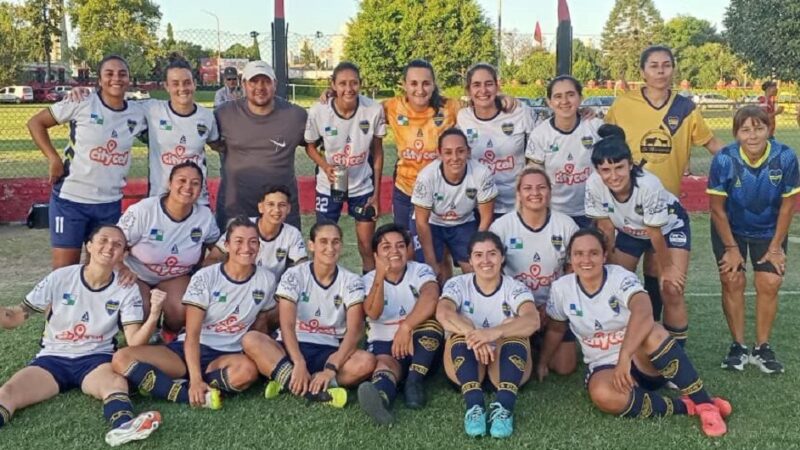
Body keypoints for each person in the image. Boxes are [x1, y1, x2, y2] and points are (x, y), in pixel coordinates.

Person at [539, 228, 731, 437]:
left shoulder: (620, 276)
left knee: (654, 332)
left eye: (593, 253)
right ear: (571, 257)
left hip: (641, 360)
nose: (586, 259)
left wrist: (625, 355)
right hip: (605, 365)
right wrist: (542, 362)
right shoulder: (561, 289)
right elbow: (557, 329)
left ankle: (705, 404)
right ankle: (686, 406)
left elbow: (644, 310)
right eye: (578, 254)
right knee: (603, 395)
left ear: (604, 256)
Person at [0, 225, 163, 447]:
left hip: (96, 359)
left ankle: (123, 427)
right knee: (8, 391)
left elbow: (134, 341)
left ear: (123, 254)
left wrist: (154, 314)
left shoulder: (126, 288)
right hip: (52, 359)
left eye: (117, 245)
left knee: (115, 383)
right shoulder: (61, 277)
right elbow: (16, 316)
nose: (109, 247)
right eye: (103, 240)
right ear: (89, 245)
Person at [605, 45, 723, 320]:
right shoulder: (623, 105)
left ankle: (653, 330)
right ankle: (620, 332)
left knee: (658, 274)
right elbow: (604, 140)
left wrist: (743, 157)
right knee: (619, 275)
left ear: (673, 68)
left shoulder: (685, 109)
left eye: (666, 65)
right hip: (628, 208)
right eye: (654, 65)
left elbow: (711, 143)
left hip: (666, 207)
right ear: (643, 71)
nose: (660, 70)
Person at [111, 217, 275, 409]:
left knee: (247, 372)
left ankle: (167, 384)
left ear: (259, 246)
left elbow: (260, 324)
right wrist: (196, 379)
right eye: (239, 241)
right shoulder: (205, 276)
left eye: (253, 241)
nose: (246, 247)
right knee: (121, 358)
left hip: (228, 355)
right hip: (191, 349)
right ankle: (186, 392)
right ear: (227, 245)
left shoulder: (266, 279)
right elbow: (192, 333)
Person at [27, 55, 148, 269]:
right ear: (99, 80)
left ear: (129, 79)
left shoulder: (138, 113)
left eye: (122, 74)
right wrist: (53, 158)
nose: (116, 79)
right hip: (71, 200)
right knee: (65, 273)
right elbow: (36, 122)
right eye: (109, 74)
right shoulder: (82, 101)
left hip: (109, 204)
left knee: (99, 271)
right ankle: (56, 304)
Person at [240, 222, 376, 407]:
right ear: (311, 245)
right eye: (323, 242)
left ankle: (289, 381)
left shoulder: (351, 280)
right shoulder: (294, 274)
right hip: (291, 346)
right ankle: (316, 390)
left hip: (328, 349)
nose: (330, 248)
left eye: (335, 242)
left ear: (341, 245)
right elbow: (286, 324)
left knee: (366, 362)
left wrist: (331, 369)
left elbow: (355, 330)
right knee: (251, 339)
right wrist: (298, 362)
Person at [707, 106, 799, 374]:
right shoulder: (724, 158)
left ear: (769, 129)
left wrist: (775, 247)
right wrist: (732, 248)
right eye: (745, 129)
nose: (753, 135)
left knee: (770, 282)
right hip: (731, 228)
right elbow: (716, 209)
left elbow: (787, 206)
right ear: (736, 133)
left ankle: (762, 347)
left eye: (759, 128)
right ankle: (737, 345)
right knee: (732, 278)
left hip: (769, 228)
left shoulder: (786, 156)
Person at [585, 125, 692, 346]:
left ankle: (675, 355)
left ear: (630, 164)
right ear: (597, 170)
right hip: (629, 229)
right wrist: (611, 271)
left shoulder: (649, 185)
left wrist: (669, 268)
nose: (613, 176)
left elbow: (655, 234)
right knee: (618, 288)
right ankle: (632, 340)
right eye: (606, 170)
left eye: (619, 168)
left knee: (671, 288)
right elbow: (605, 229)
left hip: (668, 228)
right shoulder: (593, 185)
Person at [436, 231, 539, 438]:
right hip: (464, 367)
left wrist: (493, 333)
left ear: (502, 258)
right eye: (478, 255)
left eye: (492, 254)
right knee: (461, 324)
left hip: (503, 369)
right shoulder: (457, 284)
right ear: (470, 260)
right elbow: (443, 312)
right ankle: (474, 406)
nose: (486, 261)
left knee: (515, 324)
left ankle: (504, 407)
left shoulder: (515, 287)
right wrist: (474, 334)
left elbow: (532, 320)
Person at [489, 167, 578, 375]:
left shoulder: (566, 225)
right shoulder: (502, 227)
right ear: (518, 194)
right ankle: (528, 340)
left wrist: (551, 306)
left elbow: (572, 271)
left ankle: (541, 341)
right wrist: (523, 308)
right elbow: (492, 274)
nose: (535, 193)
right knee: (510, 364)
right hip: (514, 307)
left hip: (552, 307)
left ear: (549, 191)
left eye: (541, 187)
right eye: (528, 188)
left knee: (565, 367)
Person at [117, 162, 220, 338]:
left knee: (183, 306)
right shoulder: (143, 211)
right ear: (169, 183)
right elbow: (115, 244)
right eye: (182, 180)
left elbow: (218, 246)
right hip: (138, 275)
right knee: (139, 306)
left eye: (195, 183)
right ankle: (128, 339)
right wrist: (122, 268)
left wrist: (209, 263)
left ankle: (168, 338)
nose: (188, 187)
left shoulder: (204, 216)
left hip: (175, 278)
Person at [357, 223, 443, 424]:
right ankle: (381, 400)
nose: (394, 251)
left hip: (420, 344)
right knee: (384, 366)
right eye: (386, 247)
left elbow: (431, 296)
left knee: (431, 327)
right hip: (384, 343)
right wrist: (380, 274)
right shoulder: (367, 280)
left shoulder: (420, 270)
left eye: (400, 246)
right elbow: (373, 312)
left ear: (408, 249)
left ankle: (413, 382)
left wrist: (406, 327)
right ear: (375, 254)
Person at [305, 62, 385, 273]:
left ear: (360, 84)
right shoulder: (319, 111)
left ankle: (369, 295)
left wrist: (377, 194)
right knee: (324, 245)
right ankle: (323, 290)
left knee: (367, 246)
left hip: (362, 186)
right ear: (333, 85)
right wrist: (325, 166)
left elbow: (378, 152)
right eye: (342, 83)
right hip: (329, 186)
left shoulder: (373, 110)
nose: (348, 89)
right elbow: (310, 147)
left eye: (354, 83)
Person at [211, 60, 307, 230]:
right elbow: (208, 140)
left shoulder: (296, 116)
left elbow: (320, 142)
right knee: (231, 256)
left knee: (284, 257)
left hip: (280, 210)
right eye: (254, 81)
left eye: (266, 81)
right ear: (243, 84)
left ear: (275, 84)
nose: (260, 87)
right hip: (235, 209)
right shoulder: (223, 114)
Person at [411, 128, 497, 282]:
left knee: (473, 269)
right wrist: (431, 261)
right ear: (439, 154)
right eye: (448, 152)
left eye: (460, 151)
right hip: (432, 222)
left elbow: (486, 217)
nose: (455, 158)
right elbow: (421, 221)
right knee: (432, 272)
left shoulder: (481, 173)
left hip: (463, 221)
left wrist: (475, 250)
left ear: (468, 152)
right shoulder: (427, 176)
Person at [383, 60, 461, 228]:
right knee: (404, 242)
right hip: (405, 190)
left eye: (426, 83)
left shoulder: (450, 108)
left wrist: (502, 99)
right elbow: (360, 110)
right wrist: (331, 94)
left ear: (433, 85)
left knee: (437, 247)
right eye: (413, 83)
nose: (420, 90)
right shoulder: (393, 107)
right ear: (404, 85)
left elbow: (482, 107)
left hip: (439, 191)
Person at [457, 63, 537, 218]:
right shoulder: (462, 117)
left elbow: (547, 137)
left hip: (516, 206)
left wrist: (581, 112)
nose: (483, 90)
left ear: (497, 86)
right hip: (477, 205)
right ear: (468, 90)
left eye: (489, 84)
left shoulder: (520, 112)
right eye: (476, 85)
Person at [526, 75, 604, 227]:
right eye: (558, 96)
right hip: (554, 213)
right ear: (549, 102)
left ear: (580, 98)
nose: (564, 101)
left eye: (570, 94)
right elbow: (534, 177)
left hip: (592, 211)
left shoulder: (595, 126)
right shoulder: (540, 134)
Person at [206, 186, 306, 280]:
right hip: (240, 284)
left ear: (288, 209)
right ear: (260, 207)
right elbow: (211, 260)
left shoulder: (292, 233)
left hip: (273, 290)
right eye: (270, 204)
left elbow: (303, 267)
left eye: (282, 205)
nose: (276, 210)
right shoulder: (241, 226)